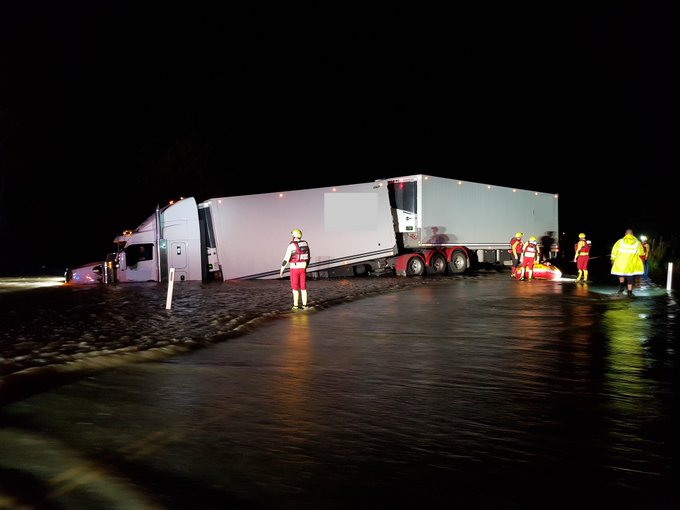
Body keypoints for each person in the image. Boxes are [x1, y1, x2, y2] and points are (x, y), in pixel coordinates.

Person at [280, 228, 311, 310]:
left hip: (294, 268)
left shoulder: (291, 245)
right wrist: (305, 267)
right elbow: (308, 258)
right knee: (303, 288)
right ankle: (305, 306)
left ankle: (295, 306)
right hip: (303, 268)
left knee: (295, 289)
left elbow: (286, 259)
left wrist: (282, 270)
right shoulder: (305, 244)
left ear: (293, 236)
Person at [610, 228, 644, 297]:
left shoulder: (620, 241)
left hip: (620, 263)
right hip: (631, 263)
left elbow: (614, 251)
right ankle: (629, 292)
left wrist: (613, 259)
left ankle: (621, 287)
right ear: (632, 234)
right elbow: (641, 253)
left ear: (625, 234)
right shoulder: (637, 242)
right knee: (630, 277)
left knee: (621, 274)